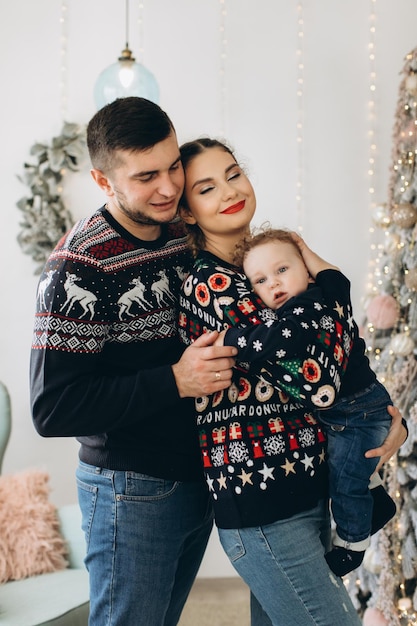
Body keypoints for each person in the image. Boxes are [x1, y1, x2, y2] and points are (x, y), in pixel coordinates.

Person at [177, 136, 406, 625]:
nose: (229, 192)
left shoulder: (265, 263)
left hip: (306, 485)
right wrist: (333, 290)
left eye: (234, 174)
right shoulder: (212, 283)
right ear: (188, 212)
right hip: (263, 501)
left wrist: (377, 415)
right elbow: (319, 377)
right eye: (207, 187)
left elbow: (341, 343)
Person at [29, 97, 238, 626]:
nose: (169, 187)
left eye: (173, 166)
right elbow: (53, 409)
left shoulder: (182, 230)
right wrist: (174, 381)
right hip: (132, 490)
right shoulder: (78, 265)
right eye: (147, 176)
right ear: (104, 181)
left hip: (199, 476)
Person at [217, 226, 397, 576]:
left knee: (345, 484)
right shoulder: (331, 290)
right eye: (260, 280)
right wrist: (304, 255)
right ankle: (376, 502)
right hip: (352, 410)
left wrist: (231, 339)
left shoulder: (310, 307)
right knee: (345, 469)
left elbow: (279, 340)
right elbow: (337, 277)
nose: (274, 284)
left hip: (358, 412)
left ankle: (352, 543)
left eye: (283, 270)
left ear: (307, 270)